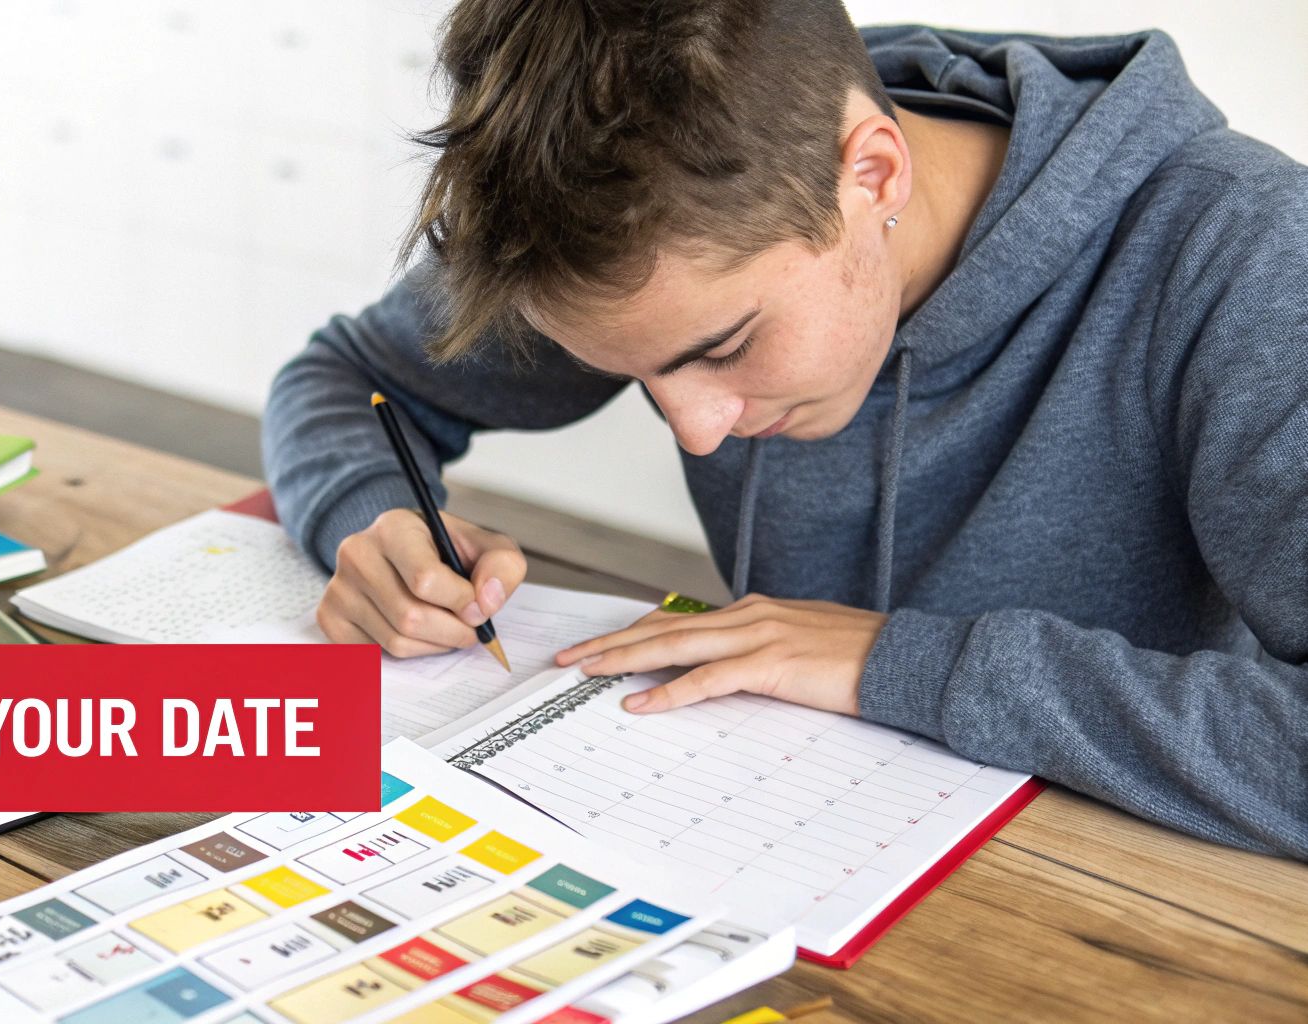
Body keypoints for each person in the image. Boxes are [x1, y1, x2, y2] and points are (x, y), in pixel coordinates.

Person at [260, 0, 1307, 858]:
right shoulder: (614, 208)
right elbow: (347, 380)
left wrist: (896, 664)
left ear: (873, 175)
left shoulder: (1246, 257)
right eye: (627, 372)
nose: (699, 431)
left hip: (1121, 906)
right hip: (749, 845)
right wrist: (369, 514)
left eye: (722, 348)